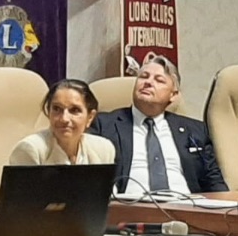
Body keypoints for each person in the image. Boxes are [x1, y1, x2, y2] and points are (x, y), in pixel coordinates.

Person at [91, 56, 228, 194]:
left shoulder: (194, 130)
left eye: (159, 80)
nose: (148, 82)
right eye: (143, 77)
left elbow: (214, 181)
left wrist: (230, 204)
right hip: (128, 204)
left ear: (173, 95)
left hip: (185, 204)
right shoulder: (103, 124)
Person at [10, 79, 116, 166]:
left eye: (74, 110)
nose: (64, 119)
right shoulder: (31, 150)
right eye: (57, 109)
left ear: (90, 118)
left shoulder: (104, 149)